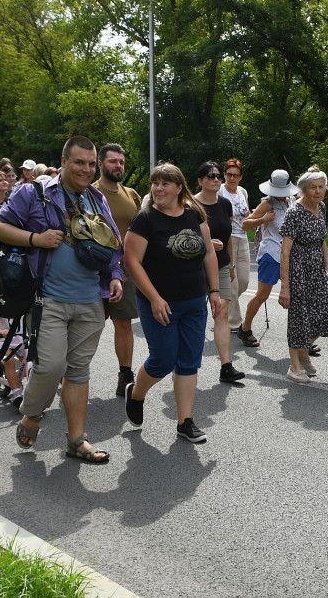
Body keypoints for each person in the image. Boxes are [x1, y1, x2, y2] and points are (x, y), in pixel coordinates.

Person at [0, 136, 123, 463]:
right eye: (79, 162)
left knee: (79, 371)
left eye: (91, 163)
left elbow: (112, 246)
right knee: (50, 366)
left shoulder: (96, 198)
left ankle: (76, 440)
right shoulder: (33, 193)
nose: (86, 169)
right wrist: (35, 238)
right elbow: (0, 228)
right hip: (48, 299)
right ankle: (32, 414)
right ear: (64, 161)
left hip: (91, 302)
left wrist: (115, 278)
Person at [123, 162, 223, 444]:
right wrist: (154, 298)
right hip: (160, 303)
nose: (158, 188)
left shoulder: (194, 214)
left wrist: (214, 290)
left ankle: (185, 421)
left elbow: (208, 255)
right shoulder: (145, 219)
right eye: (155, 183)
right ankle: (137, 394)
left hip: (193, 301)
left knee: (189, 361)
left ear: (180, 188)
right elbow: (132, 261)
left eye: (165, 183)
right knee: (163, 359)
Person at [92, 143, 145, 396]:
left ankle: (125, 375)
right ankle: (69, 373)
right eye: (113, 161)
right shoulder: (87, 193)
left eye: (121, 162)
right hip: (92, 271)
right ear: (100, 164)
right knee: (87, 326)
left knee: (123, 323)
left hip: (125, 270)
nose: (118, 166)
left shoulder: (131, 195)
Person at [278, 166, 328, 383]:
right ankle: (294, 367)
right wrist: (285, 287)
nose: (318, 191)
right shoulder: (294, 212)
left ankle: (303, 351)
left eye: (321, 187)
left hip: (317, 269)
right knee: (299, 318)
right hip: (298, 270)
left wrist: (326, 261)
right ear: (304, 189)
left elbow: (322, 237)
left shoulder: (321, 207)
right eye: (313, 187)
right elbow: (284, 252)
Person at [194, 161, 245, 382]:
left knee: (221, 313)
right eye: (210, 176)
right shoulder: (190, 205)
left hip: (222, 265)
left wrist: (232, 265)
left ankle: (226, 366)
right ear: (200, 181)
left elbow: (229, 236)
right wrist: (204, 244)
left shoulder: (225, 204)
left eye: (217, 176)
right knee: (195, 315)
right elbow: (181, 236)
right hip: (194, 267)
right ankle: (187, 366)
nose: (215, 179)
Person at [236, 169, 296, 348]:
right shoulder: (267, 204)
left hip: (290, 255)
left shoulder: (291, 201)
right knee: (262, 295)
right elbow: (245, 224)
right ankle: (245, 329)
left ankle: (302, 339)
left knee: (297, 296)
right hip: (271, 253)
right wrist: (263, 219)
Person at [218, 158, 251, 331]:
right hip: (227, 240)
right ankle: (236, 323)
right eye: (229, 174)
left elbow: (248, 214)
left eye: (235, 175)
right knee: (232, 283)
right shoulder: (220, 192)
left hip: (243, 238)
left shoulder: (243, 192)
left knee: (244, 281)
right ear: (224, 175)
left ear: (240, 177)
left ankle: (225, 306)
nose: (232, 178)